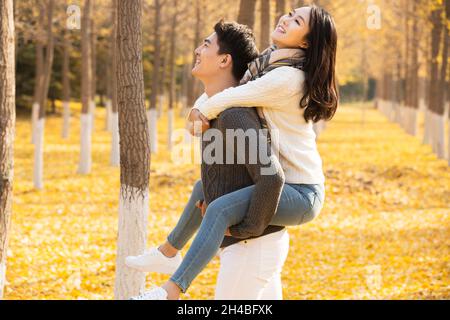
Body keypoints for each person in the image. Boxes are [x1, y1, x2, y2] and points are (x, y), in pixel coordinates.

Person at [129, 4, 338, 300]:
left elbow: (235, 95)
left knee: (219, 208)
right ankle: (168, 251)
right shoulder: (270, 66)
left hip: (301, 191)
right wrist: (199, 110)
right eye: (290, 13)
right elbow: (230, 90)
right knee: (204, 188)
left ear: (306, 42)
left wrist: (198, 113)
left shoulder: (287, 78)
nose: (285, 19)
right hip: (284, 189)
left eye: (296, 21)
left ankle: (171, 291)